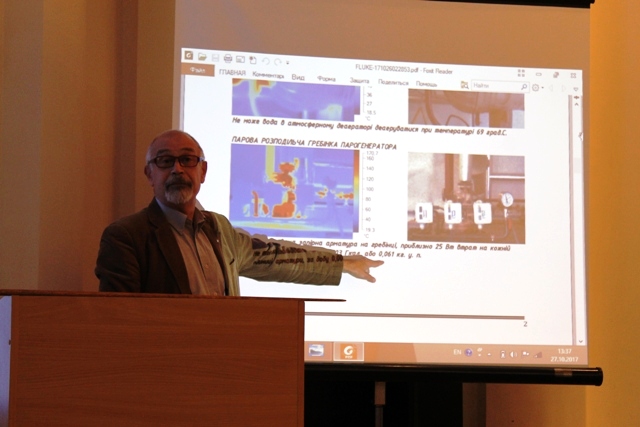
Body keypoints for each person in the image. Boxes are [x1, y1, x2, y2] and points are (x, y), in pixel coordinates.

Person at [96, 129, 383, 295]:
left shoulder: (218, 229)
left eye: (187, 159)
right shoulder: (126, 236)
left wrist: (342, 263)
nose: (177, 169)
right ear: (149, 174)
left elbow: (275, 258)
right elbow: (119, 320)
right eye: (165, 161)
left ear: (203, 171)